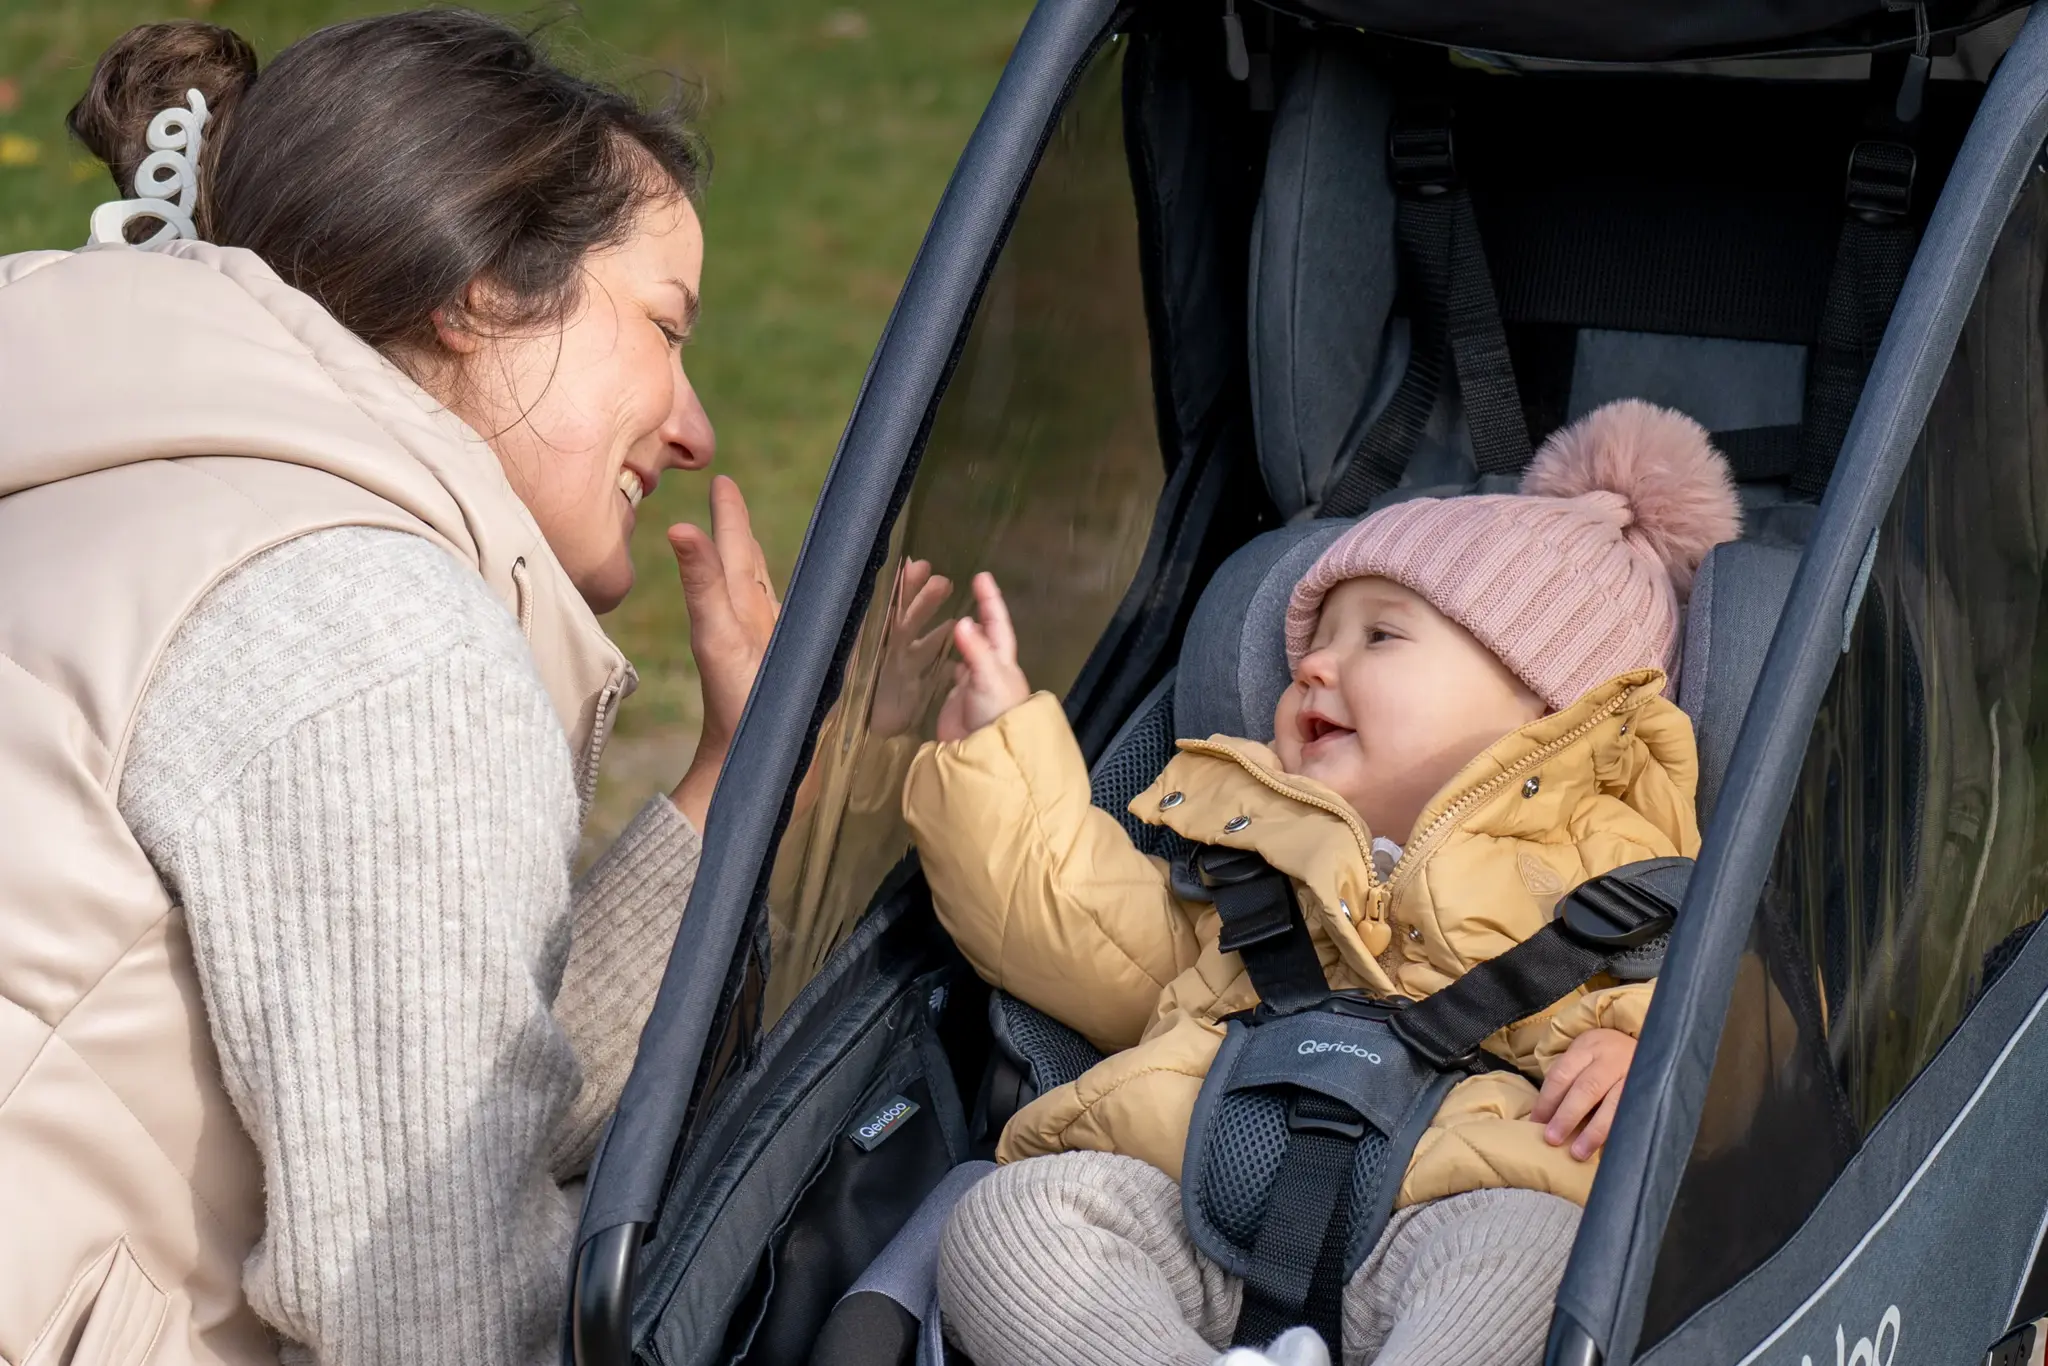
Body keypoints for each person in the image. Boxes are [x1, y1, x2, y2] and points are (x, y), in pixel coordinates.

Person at [0, 12, 779, 1366]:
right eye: (663, 326)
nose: (697, 421)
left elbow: (416, 1084)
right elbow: (425, 1314)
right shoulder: (370, 630)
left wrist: (740, 782)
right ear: (478, 290)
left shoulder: (125, 485)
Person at [902, 399, 1742, 1366]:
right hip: (1190, 1192)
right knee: (1011, 1220)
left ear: (1543, 704)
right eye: (1313, 642)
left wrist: (1655, 1052)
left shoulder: (1616, 874)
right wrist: (993, 759)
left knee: (1541, 1264)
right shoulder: (1244, 856)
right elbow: (1081, 925)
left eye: (1378, 637)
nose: (1310, 667)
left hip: (1452, 1211)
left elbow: (1755, 1032)